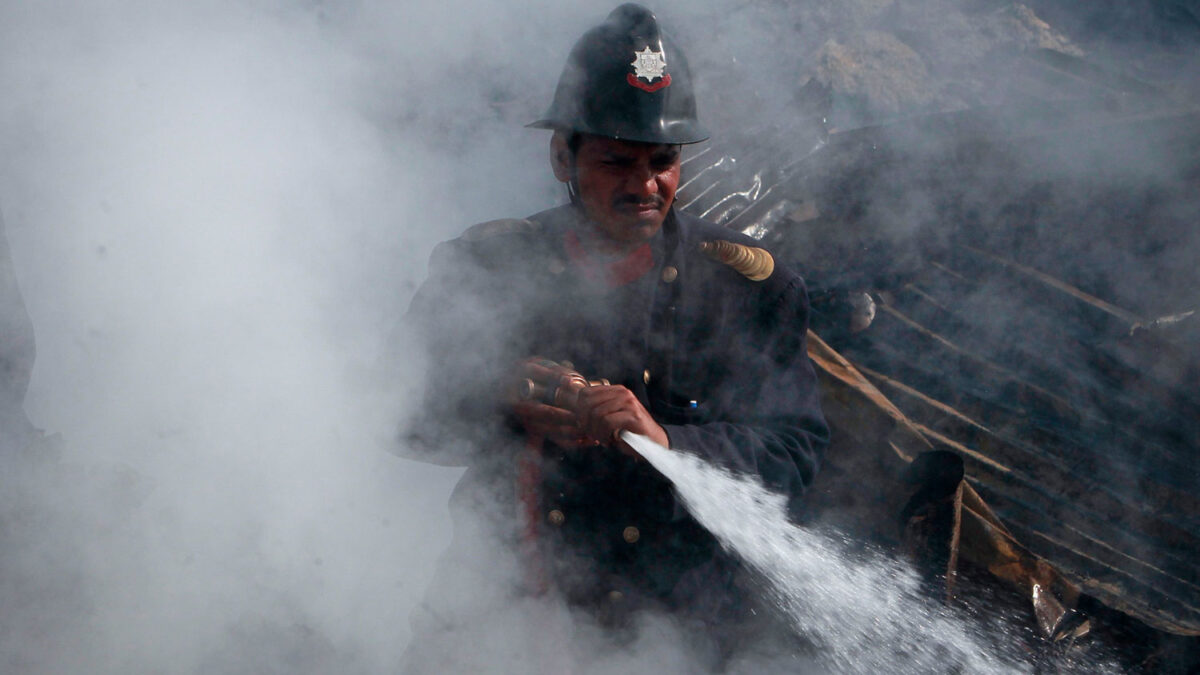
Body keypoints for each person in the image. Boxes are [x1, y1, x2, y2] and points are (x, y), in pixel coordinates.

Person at [400, 4, 828, 669]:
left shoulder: (748, 290)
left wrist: (665, 442)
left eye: (663, 161)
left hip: (669, 639)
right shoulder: (484, 266)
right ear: (561, 156)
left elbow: (794, 459)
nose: (646, 185)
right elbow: (396, 416)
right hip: (488, 617)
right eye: (616, 162)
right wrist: (496, 395)